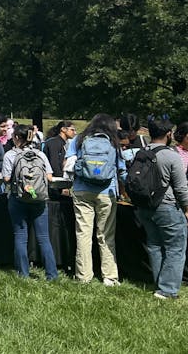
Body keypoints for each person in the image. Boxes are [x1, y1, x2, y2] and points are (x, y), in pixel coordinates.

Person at [66, 113, 125, 286]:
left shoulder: (79, 139)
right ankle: (110, 276)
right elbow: (120, 169)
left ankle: (83, 276)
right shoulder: (113, 142)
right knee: (106, 234)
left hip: (82, 190)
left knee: (83, 234)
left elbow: (69, 165)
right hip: (107, 192)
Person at [137, 119, 188, 299]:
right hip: (166, 206)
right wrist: (186, 208)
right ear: (169, 134)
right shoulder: (171, 155)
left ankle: (160, 283)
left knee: (155, 245)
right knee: (176, 248)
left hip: (144, 206)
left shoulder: (141, 152)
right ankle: (167, 290)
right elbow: (181, 187)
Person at [2, 124, 57, 281]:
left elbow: (6, 179)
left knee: (20, 237)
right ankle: (52, 274)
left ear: (17, 138)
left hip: (17, 199)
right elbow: (50, 177)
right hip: (38, 199)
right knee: (44, 238)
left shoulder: (10, 155)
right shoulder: (40, 154)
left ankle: (23, 274)